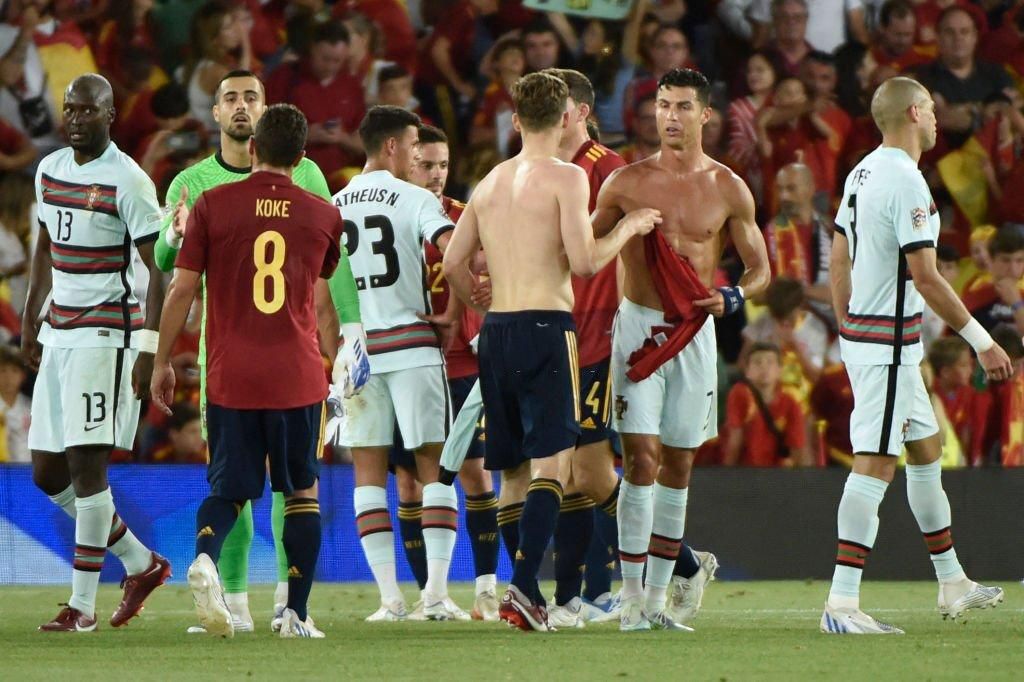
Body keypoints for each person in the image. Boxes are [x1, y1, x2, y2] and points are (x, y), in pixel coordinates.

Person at [442, 71, 659, 631]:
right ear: (566, 117)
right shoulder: (566, 177)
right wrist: (629, 228)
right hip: (546, 326)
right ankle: (522, 587)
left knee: (512, 472)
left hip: (495, 333)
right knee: (554, 465)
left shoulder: (489, 181)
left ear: (516, 119)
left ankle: (527, 592)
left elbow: (450, 263)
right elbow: (585, 261)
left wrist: (477, 297)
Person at [154, 69, 357, 635]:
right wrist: (337, 366)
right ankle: (294, 611)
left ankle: (203, 561)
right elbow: (322, 302)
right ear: (301, 156)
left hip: (227, 372)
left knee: (228, 488)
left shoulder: (212, 203)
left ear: (255, 142)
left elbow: (178, 288)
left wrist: (161, 359)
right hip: (295, 373)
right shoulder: (323, 212)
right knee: (300, 491)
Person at [822, 76, 1010, 635]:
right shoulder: (906, 180)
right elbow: (926, 277)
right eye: (931, 108)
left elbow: (838, 260)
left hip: (879, 338)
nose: (937, 117)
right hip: (884, 345)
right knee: (877, 462)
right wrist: (982, 340)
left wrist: (847, 324)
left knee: (925, 451)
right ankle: (841, 603)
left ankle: (952, 581)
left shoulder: (862, 169)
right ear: (913, 112)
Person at [593, 68, 770, 632]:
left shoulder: (727, 186)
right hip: (638, 328)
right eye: (663, 105)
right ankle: (631, 601)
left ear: (705, 115)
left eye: (682, 106)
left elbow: (761, 267)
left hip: (694, 333)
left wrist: (734, 293)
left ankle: (659, 601)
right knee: (639, 459)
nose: (669, 116)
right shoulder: (624, 182)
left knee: (679, 462)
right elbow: (587, 250)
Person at [21, 73, 171, 632]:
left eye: (87, 110)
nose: (75, 118)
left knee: (87, 469)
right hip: (59, 332)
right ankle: (140, 562)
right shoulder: (50, 168)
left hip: (107, 334)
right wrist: (36, 306)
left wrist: (149, 348)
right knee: (45, 471)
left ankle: (81, 606)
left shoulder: (128, 180)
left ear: (110, 115)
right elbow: (45, 239)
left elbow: (160, 269)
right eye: (69, 109)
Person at [334, 105, 462, 622]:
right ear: (391, 147)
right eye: (413, 147)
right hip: (411, 344)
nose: (417, 157)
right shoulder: (414, 198)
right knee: (435, 467)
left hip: (358, 353)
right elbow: (451, 248)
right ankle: (434, 594)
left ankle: (389, 600)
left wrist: (339, 349)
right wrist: (455, 308)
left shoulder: (333, 203)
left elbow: (322, 290)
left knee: (368, 475)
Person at [407, 124, 499, 621]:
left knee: (475, 473)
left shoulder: (466, 217)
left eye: (443, 164)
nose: (437, 174)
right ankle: (429, 594)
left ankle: (486, 587)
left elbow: (492, 277)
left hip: (463, 363)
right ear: (407, 161)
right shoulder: (395, 214)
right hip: (407, 363)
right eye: (427, 164)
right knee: (410, 482)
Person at [723, 342, 810, 467]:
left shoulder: (790, 402)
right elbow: (735, 440)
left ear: (780, 370)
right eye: (757, 362)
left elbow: (797, 446)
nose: (764, 367)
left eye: (770, 362)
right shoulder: (740, 394)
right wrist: (727, 474)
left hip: (775, 473)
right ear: (747, 370)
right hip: (743, 471)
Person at [0, 343, 30, 462]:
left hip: (26, 471)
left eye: (14, 371)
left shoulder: (30, 407)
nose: (9, 377)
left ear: (22, 376)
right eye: (3, 371)